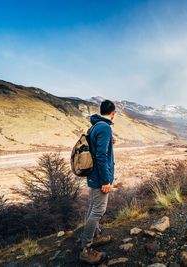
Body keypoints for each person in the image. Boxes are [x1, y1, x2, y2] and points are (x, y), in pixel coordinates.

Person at [79, 99, 116, 264]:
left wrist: (110, 141)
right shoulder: (105, 127)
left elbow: (97, 147)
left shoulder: (95, 126)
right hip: (100, 177)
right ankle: (86, 249)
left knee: (93, 207)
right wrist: (106, 180)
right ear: (113, 114)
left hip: (93, 175)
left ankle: (96, 236)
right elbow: (101, 156)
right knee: (98, 211)